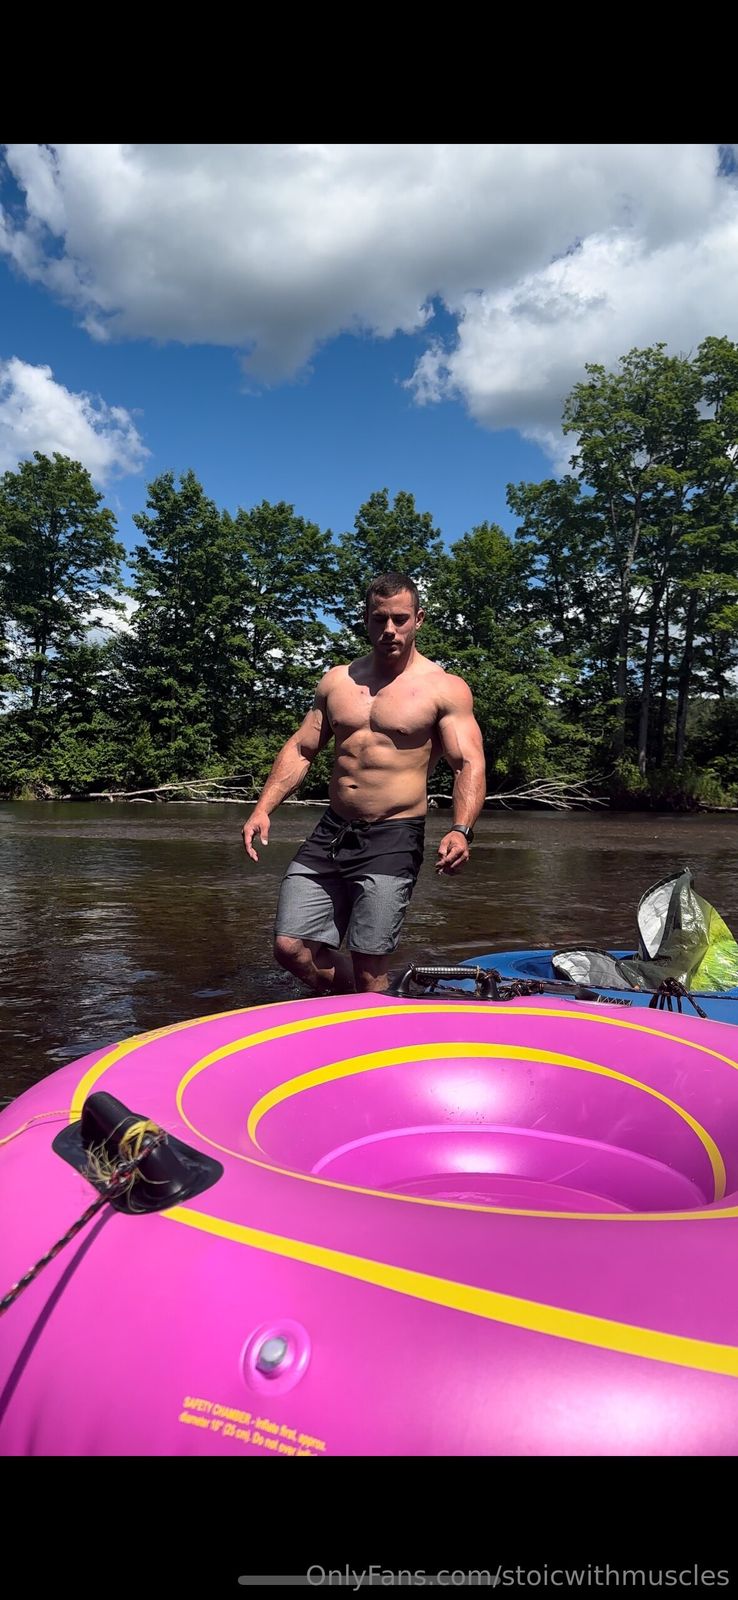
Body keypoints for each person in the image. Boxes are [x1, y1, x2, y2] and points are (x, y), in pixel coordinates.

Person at [242, 572, 486, 994]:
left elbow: (467, 763)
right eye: (379, 618)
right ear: (366, 619)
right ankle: (355, 1005)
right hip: (332, 830)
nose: (390, 629)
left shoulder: (444, 689)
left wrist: (461, 829)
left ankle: (376, 1015)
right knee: (290, 947)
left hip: (394, 835)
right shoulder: (338, 681)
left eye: (400, 618)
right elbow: (302, 748)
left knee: (370, 966)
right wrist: (263, 808)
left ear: (418, 619)